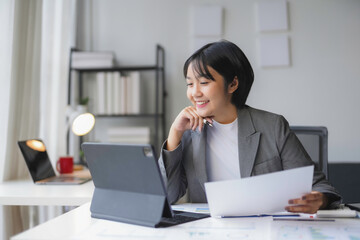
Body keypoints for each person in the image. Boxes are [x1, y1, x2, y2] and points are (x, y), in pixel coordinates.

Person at [158, 40, 341, 214]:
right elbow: (167, 196)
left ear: (233, 84)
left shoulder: (273, 127)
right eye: (190, 84)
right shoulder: (190, 133)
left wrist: (319, 199)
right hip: (210, 231)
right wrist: (175, 134)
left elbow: (320, 187)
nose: (195, 92)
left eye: (204, 82)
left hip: (266, 228)